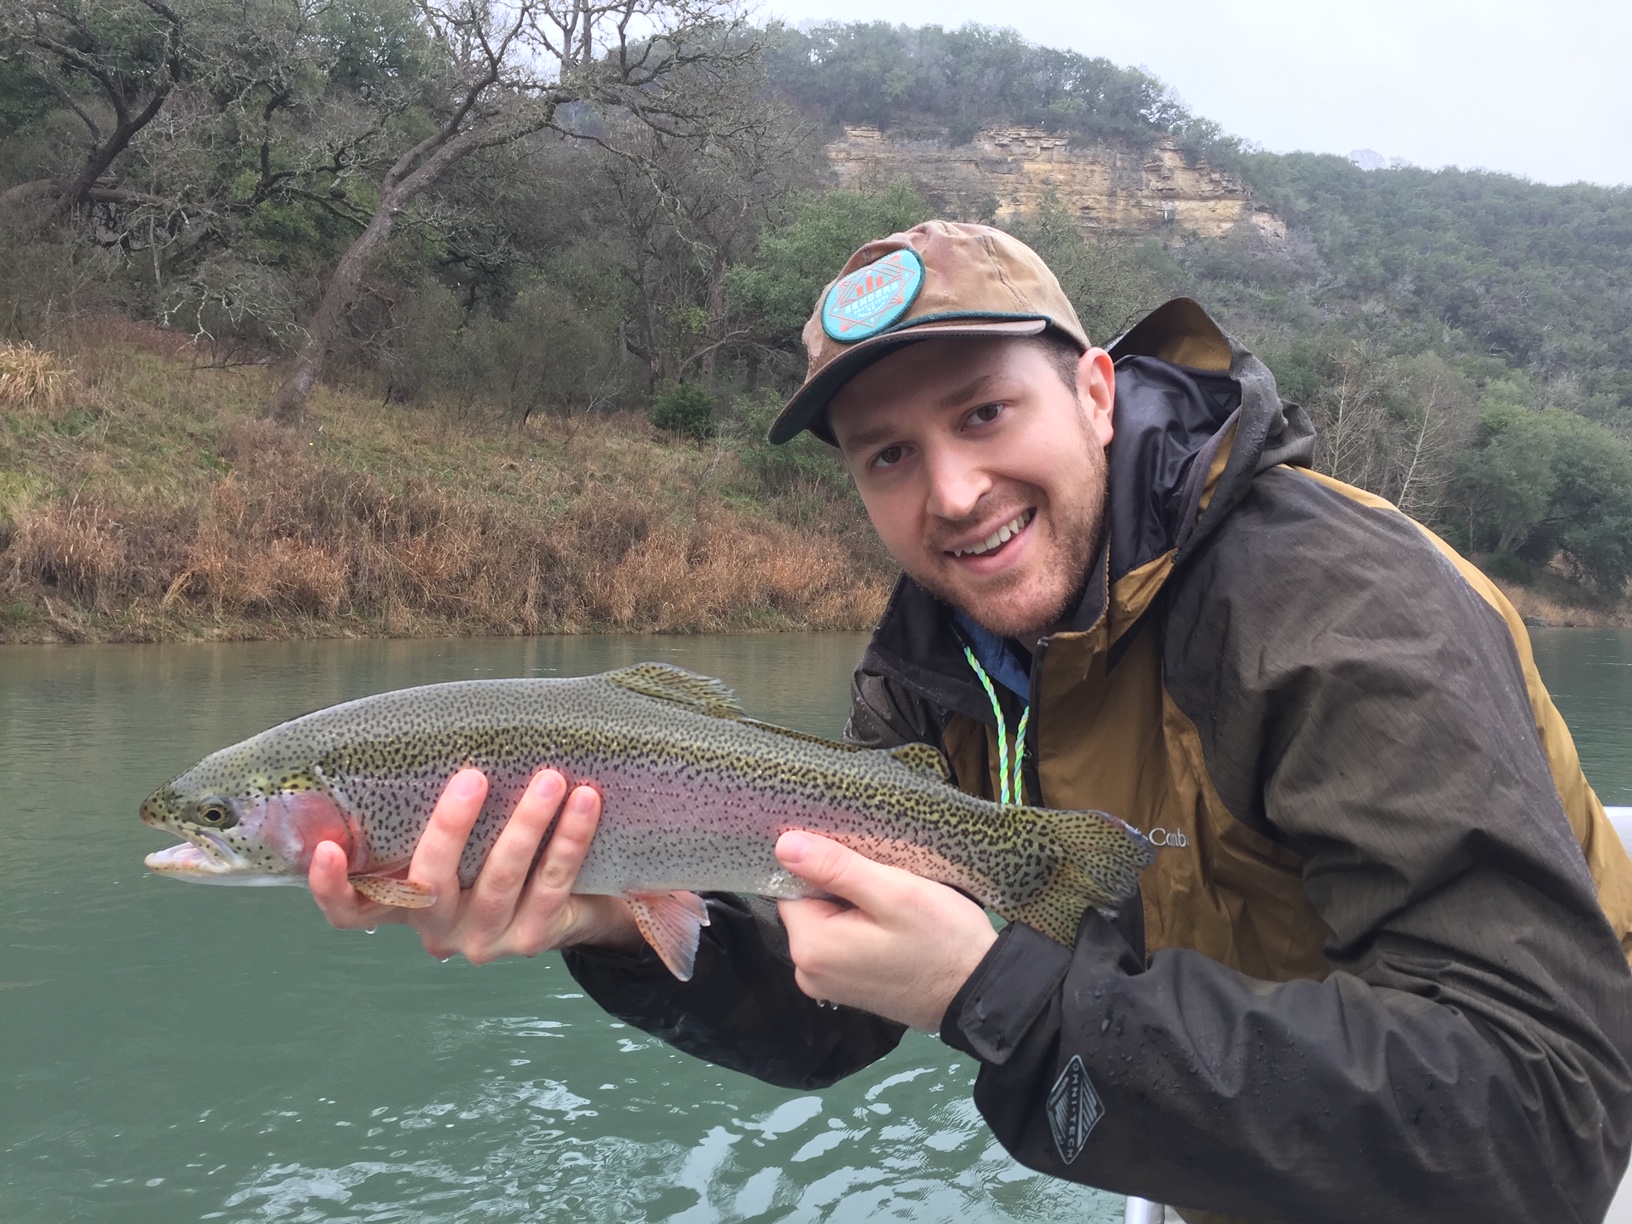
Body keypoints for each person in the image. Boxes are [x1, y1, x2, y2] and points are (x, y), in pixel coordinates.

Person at [311, 221, 1632, 1223]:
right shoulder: (938, 670)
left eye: (985, 412)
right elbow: (832, 1013)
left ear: (1099, 394)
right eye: (888, 454)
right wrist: (621, 918)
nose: (950, 491)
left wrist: (989, 987)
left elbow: (1540, 1117)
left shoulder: (1337, 611)